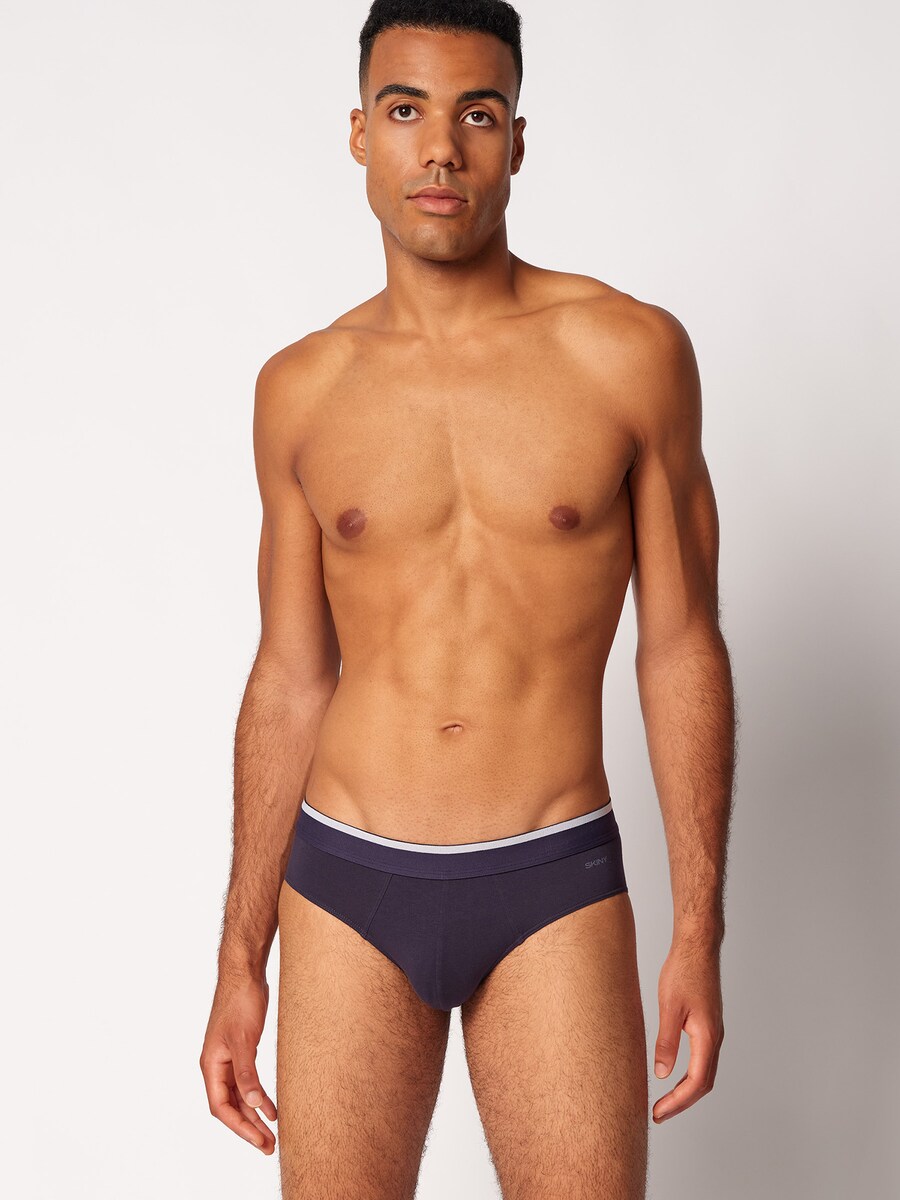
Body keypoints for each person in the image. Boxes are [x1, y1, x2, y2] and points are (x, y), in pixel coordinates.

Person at [199, 2, 737, 1196]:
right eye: (406, 110)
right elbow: (290, 673)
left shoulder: (629, 354)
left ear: (516, 141)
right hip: (346, 880)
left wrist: (698, 927)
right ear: (360, 133)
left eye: (476, 115)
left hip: (552, 878)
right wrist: (240, 955)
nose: (439, 148)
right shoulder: (301, 390)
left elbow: (680, 648)